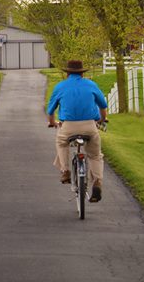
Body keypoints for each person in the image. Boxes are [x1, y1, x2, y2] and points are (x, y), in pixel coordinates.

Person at [46, 60, 108, 202]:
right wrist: (102, 119)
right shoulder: (91, 85)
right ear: (82, 72)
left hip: (68, 126)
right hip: (89, 125)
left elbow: (50, 111)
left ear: (67, 73)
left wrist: (52, 123)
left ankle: (65, 171)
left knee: (61, 142)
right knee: (95, 155)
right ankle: (97, 181)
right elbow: (103, 106)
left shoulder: (60, 86)